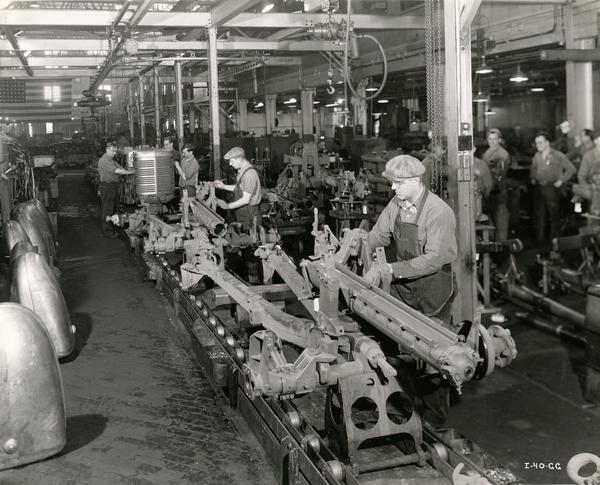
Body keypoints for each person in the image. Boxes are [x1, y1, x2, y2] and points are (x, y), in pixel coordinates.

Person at [365, 155, 457, 325]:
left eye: (398, 183)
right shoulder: (396, 204)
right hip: (404, 287)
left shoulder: (438, 212)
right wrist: (358, 245)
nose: (393, 187)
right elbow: (379, 235)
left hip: (432, 291)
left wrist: (388, 269)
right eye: (392, 182)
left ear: (415, 180)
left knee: (430, 343)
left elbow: (434, 260)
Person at [530, 131, 576, 248]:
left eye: (540, 142)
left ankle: (554, 244)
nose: (538, 145)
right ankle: (540, 245)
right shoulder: (537, 156)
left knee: (554, 216)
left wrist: (561, 180)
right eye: (536, 143)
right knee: (539, 216)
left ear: (547, 143)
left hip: (552, 188)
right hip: (540, 188)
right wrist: (533, 178)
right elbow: (533, 169)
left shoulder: (558, 155)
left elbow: (571, 169)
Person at [214, 147, 262, 229]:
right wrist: (223, 186)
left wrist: (228, 206)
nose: (230, 164)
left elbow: (245, 199)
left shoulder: (249, 174)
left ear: (239, 159)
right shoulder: (242, 171)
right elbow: (239, 188)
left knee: (249, 238)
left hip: (249, 214)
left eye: (231, 161)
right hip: (243, 211)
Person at [97, 142, 134, 238]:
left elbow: (120, 168)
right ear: (107, 149)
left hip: (113, 186)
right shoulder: (104, 160)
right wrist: (129, 172)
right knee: (107, 209)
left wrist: (129, 171)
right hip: (107, 187)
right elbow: (117, 171)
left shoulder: (112, 160)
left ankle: (115, 229)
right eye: (113, 151)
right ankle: (108, 231)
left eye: (115, 151)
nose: (114, 153)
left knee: (115, 209)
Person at [482, 128, 511, 241]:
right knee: (490, 220)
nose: (492, 141)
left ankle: (501, 247)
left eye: (495, 139)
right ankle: (493, 246)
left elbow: (500, 174)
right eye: (489, 139)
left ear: (499, 140)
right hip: (489, 191)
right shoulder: (488, 152)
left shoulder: (502, 154)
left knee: (501, 221)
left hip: (498, 191)